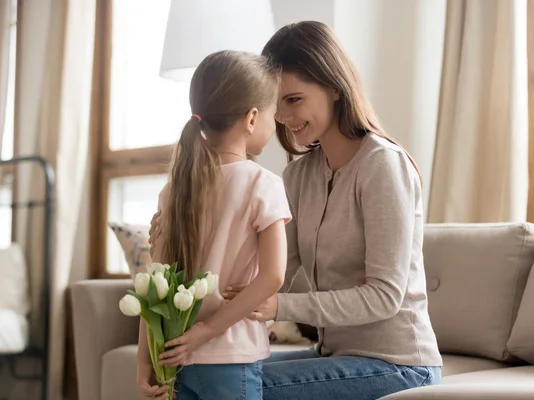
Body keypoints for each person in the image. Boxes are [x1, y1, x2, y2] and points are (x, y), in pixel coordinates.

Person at [151, 21, 443, 400]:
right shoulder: (299, 175)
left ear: (334, 86)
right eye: (277, 104)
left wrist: (277, 306)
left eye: (294, 100)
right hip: (334, 354)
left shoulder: (383, 165)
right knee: (195, 372)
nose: (284, 117)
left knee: (229, 386)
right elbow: (269, 271)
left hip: (400, 364)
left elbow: (385, 296)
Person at [138, 50, 291, 400]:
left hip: (175, 358)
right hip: (231, 360)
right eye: (273, 115)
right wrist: (206, 331)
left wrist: (143, 362)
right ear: (252, 118)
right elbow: (273, 277)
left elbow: (153, 286)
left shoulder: (173, 190)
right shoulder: (262, 183)